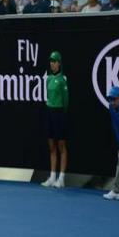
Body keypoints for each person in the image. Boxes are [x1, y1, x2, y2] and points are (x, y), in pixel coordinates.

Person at [41, 51, 69, 188]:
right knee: (51, 146)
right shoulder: (48, 78)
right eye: (51, 61)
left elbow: (66, 101)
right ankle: (52, 177)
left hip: (59, 114)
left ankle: (61, 178)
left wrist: (61, 114)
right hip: (49, 113)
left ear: (59, 63)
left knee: (61, 146)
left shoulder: (62, 80)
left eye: (54, 61)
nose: (52, 63)